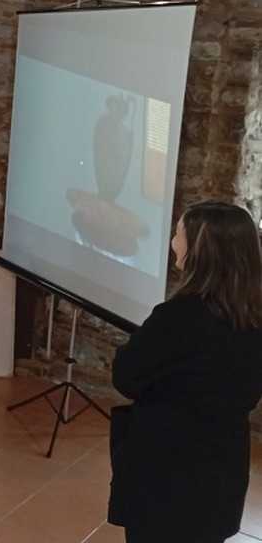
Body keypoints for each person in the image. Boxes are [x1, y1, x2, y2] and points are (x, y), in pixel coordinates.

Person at [108, 201, 262, 543]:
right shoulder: (254, 317)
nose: (173, 243)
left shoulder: (177, 317)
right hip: (222, 467)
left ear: (200, 250)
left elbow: (126, 377)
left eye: (178, 234)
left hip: (166, 468)